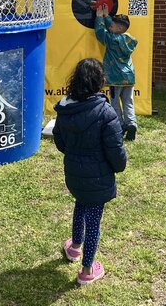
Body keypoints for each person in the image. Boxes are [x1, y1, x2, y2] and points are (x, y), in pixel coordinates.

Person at [53, 58, 127, 286]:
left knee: (80, 204)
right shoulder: (106, 113)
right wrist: (118, 167)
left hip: (74, 175)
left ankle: (75, 247)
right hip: (98, 177)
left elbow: (59, 140)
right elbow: (116, 153)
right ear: (99, 81)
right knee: (93, 220)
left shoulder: (65, 108)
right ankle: (87, 270)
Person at [92, 3, 138, 141]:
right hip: (129, 77)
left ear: (119, 28)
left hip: (115, 79)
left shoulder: (111, 39)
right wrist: (107, 16)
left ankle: (120, 125)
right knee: (128, 102)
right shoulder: (128, 39)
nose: (109, 25)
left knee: (115, 102)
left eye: (111, 24)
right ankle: (131, 124)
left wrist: (99, 18)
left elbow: (101, 33)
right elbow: (112, 27)